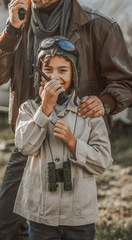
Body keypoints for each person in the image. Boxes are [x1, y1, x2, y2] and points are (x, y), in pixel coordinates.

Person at [0, 0, 132, 238]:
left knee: (71, 225)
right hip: (32, 139)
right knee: (8, 220)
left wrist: (106, 102)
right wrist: (12, 30)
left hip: (73, 137)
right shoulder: (20, 22)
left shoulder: (99, 26)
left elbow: (126, 83)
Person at [14, 36, 113, 239]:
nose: (54, 77)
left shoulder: (88, 111)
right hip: (42, 214)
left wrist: (73, 142)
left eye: (62, 70)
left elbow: (103, 161)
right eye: (48, 70)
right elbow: (25, 147)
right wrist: (45, 109)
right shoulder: (28, 109)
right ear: (39, 74)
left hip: (79, 216)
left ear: (74, 74)